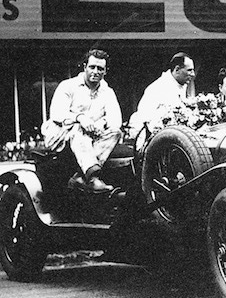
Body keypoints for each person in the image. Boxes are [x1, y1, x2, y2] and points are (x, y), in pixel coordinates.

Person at [43, 49, 122, 192]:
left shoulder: (108, 92)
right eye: (92, 67)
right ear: (85, 67)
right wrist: (80, 118)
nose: (95, 71)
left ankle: (81, 176)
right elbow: (56, 113)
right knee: (78, 129)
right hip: (62, 136)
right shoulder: (68, 86)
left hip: (91, 138)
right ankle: (92, 178)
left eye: (100, 69)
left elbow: (115, 121)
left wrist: (101, 124)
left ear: (106, 71)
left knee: (116, 132)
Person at [128, 52, 196, 136]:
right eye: (189, 70)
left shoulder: (182, 85)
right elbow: (144, 119)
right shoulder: (158, 88)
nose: (193, 74)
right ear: (177, 69)